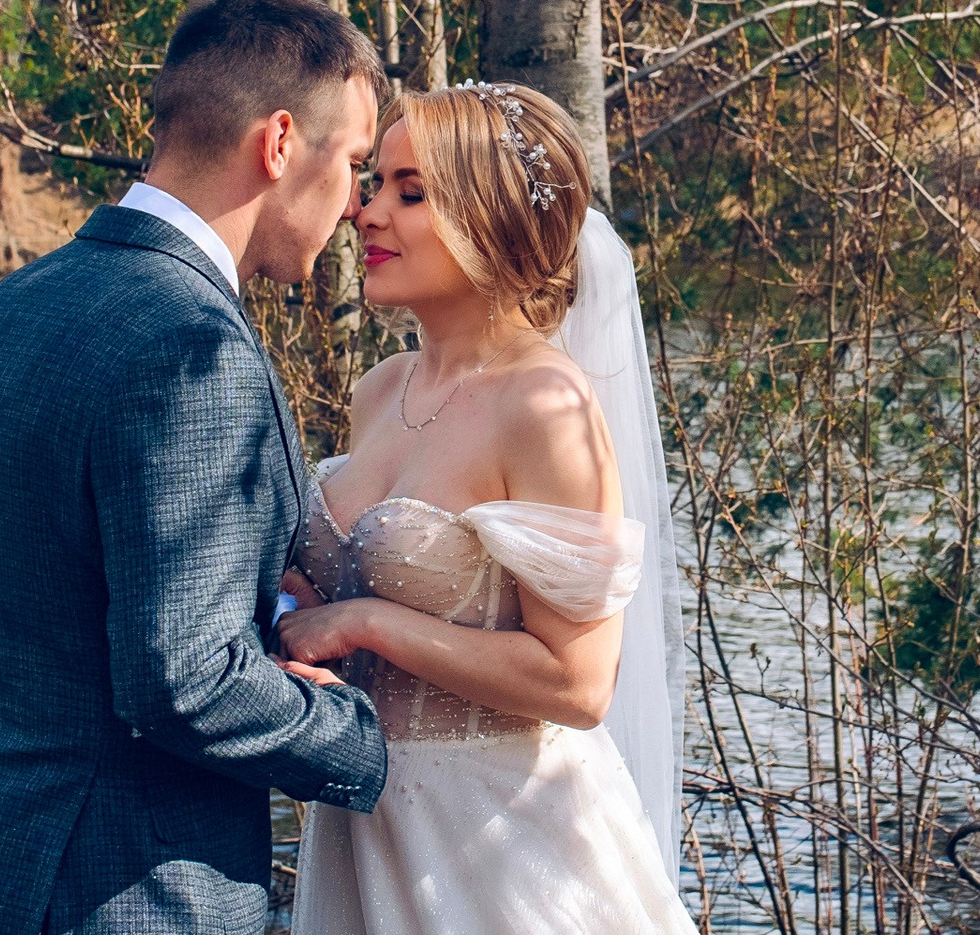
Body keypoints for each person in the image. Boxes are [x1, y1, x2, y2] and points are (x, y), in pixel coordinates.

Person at [0, 0, 392, 935]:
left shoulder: (6, 310)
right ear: (280, 145)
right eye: (355, 162)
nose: (355, 203)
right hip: (120, 896)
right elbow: (184, 682)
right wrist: (360, 736)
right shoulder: (192, 348)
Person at [277, 81, 693, 935]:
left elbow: (578, 685)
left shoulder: (545, 406)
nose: (367, 213)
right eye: (375, 183)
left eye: (411, 192)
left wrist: (367, 625)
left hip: (500, 841)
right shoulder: (379, 390)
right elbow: (329, 588)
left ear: (491, 217)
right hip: (361, 823)